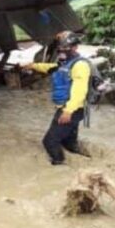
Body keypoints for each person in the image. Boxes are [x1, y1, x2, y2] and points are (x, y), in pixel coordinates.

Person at [23, 31, 91, 165]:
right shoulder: (65, 63)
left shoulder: (80, 65)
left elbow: (80, 90)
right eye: (60, 48)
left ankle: (59, 164)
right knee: (68, 141)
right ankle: (80, 157)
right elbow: (51, 68)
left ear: (75, 47)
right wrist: (33, 66)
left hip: (72, 108)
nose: (62, 50)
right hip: (72, 108)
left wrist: (68, 111)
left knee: (50, 141)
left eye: (65, 48)